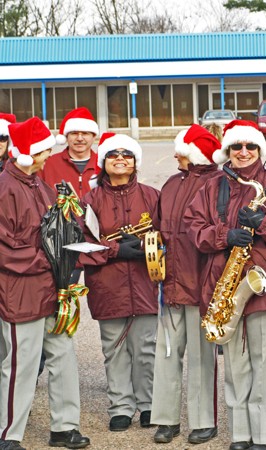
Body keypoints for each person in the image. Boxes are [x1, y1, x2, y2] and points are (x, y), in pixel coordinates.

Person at [183, 120, 266, 450]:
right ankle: (241, 434)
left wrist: (263, 222)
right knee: (235, 367)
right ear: (227, 150)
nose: (243, 152)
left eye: (250, 146)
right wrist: (224, 236)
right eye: (237, 146)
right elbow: (193, 228)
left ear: (260, 149)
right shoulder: (212, 187)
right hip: (226, 285)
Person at [0, 117, 90, 450]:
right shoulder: (5, 188)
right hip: (20, 291)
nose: (46, 157)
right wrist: (50, 260)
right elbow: (6, 250)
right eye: (42, 152)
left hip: (52, 287)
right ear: (24, 153)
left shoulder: (38, 183)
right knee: (20, 365)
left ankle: (64, 427)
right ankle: (8, 434)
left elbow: (53, 229)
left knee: (63, 356)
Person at [78, 133, 159, 433]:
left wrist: (146, 243)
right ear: (103, 163)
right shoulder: (90, 200)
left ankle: (149, 404)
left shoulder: (152, 195)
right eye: (113, 155)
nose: (120, 159)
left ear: (135, 161)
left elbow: (167, 236)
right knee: (113, 349)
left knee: (146, 348)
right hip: (107, 285)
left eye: (127, 154)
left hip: (144, 283)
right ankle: (121, 406)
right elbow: (82, 241)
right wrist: (116, 250)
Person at [150, 125, 222, 445]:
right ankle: (166, 419)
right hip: (172, 286)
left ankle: (203, 420)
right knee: (166, 355)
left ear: (194, 153)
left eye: (181, 149)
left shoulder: (219, 185)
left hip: (202, 285)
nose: (175, 154)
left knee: (202, 357)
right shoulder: (170, 184)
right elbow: (157, 229)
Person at [39, 107, 99, 198]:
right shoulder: (48, 164)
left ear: (94, 137)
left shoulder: (103, 165)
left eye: (85, 133)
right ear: (66, 136)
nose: (79, 138)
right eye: (74, 133)